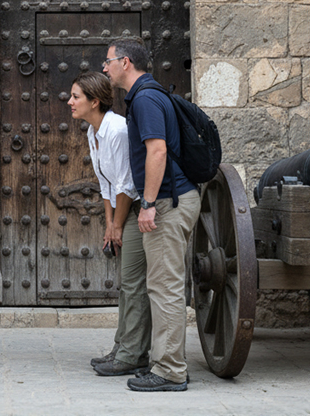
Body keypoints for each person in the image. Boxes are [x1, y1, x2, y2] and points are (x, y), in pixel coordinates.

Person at [102, 37, 199, 392]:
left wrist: (148, 203)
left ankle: (170, 370)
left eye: (108, 61)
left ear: (125, 63)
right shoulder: (147, 95)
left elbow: (157, 152)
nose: (105, 68)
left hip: (169, 203)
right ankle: (156, 360)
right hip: (171, 199)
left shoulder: (144, 98)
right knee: (158, 286)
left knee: (165, 287)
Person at [66, 72, 150, 377]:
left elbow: (126, 185)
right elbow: (106, 184)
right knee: (127, 284)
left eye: (76, 96)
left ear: (95, 101)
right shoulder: (94, 131)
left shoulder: (116, 131)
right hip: (121, 209)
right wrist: (108, 223)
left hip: (137, 206)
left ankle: (133, 354)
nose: (70, 101)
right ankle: (124, 348)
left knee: (132, 282)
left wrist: (118, 223)